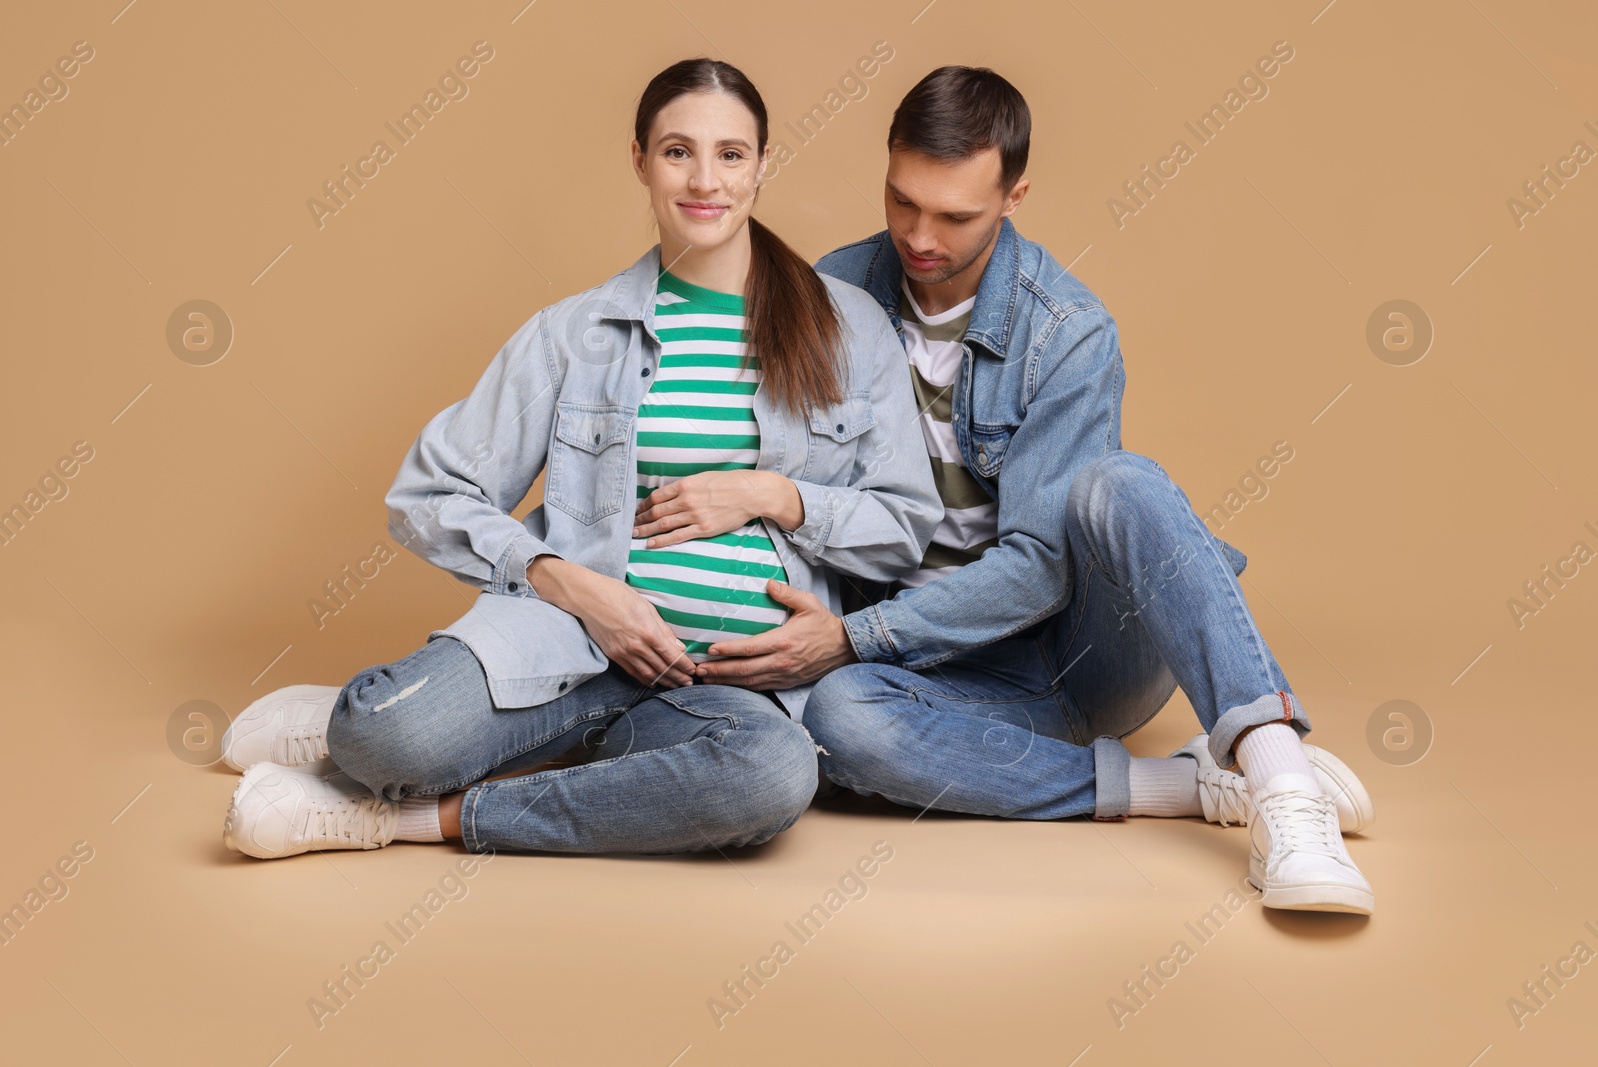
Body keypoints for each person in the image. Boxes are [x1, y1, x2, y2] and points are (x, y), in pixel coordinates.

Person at [692, 66, 1378, 915]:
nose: (919, 235)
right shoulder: (832, 293)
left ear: (1015, 195)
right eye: (903, 200)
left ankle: (1282, 785)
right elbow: (787, 477)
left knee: (1117, 483)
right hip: (935, 674)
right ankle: (1184, 787)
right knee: (840, 720)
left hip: (1082, 655)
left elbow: (1038, 567)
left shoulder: (1068, 330)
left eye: (956, 215)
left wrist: (856, 634)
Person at [217, 57, 940, 861]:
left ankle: (409, 818)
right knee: (383, 740)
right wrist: (577, 586)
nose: (706, 179)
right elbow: (428, 493)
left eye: (731, 154)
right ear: (639, 160)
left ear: (763, 166)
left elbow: (906, 523)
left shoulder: (849, 327)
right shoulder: (575, 334)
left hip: (727, 697)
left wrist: (772, 493)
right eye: (677, 151)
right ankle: (354, 726)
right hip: (568, 651)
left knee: (771, 779)